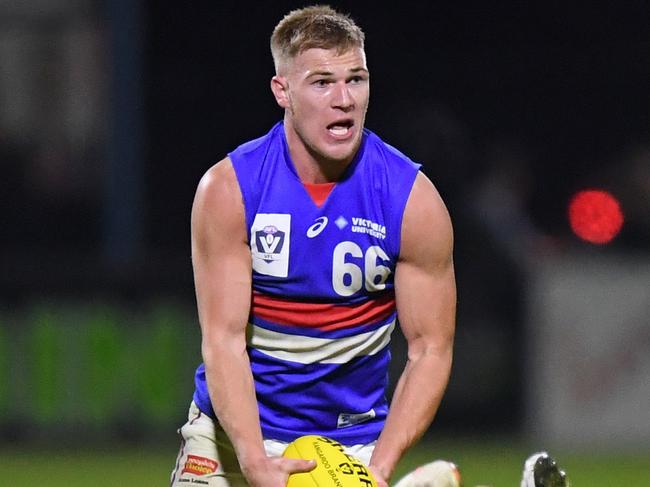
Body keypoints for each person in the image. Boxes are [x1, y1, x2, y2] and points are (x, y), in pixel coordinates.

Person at [170, 5, 455, 487]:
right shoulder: (230, 190)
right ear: (283, 91)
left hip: (352, 444)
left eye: (356, 79)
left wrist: (377, 470)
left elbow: (431, 349)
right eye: (323, 82)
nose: (344, 99)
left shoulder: (412, 201)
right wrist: (255, 460)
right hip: (236, 434)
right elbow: (224, 341)